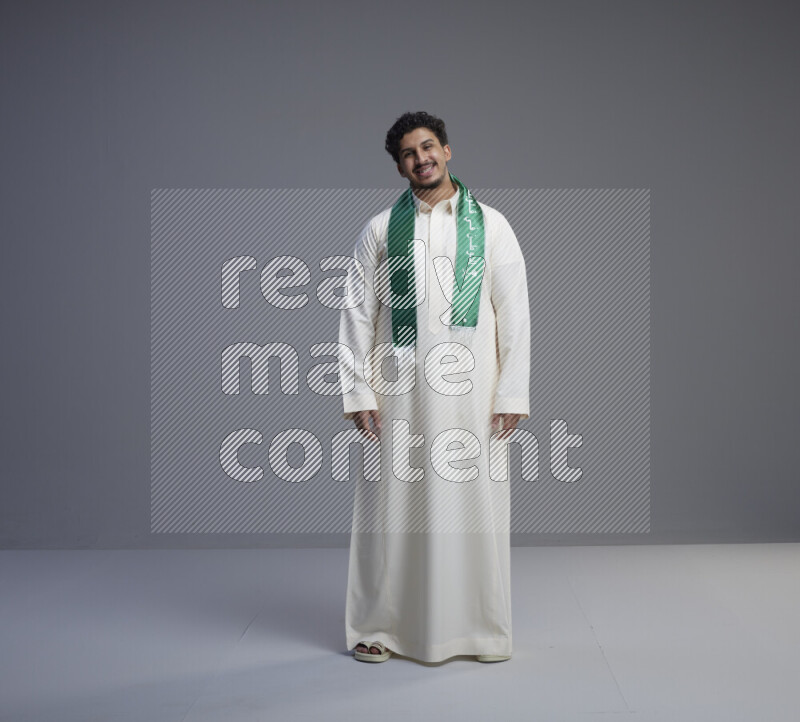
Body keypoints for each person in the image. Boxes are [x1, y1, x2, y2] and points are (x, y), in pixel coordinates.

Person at [338, 111, 531, 664]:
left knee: (472, 508)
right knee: (390, 509)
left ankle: (478, 629)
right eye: (407, 153)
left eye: (427, 147)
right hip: (397, 393)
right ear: (399, 166)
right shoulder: (379, 230)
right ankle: (380, 627)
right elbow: (356, 312)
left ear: (447, 151)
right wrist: (358, 392)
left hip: (474, 393)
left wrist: (512, 391)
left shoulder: (492, 225)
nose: (420, 158)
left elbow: (513, 312)